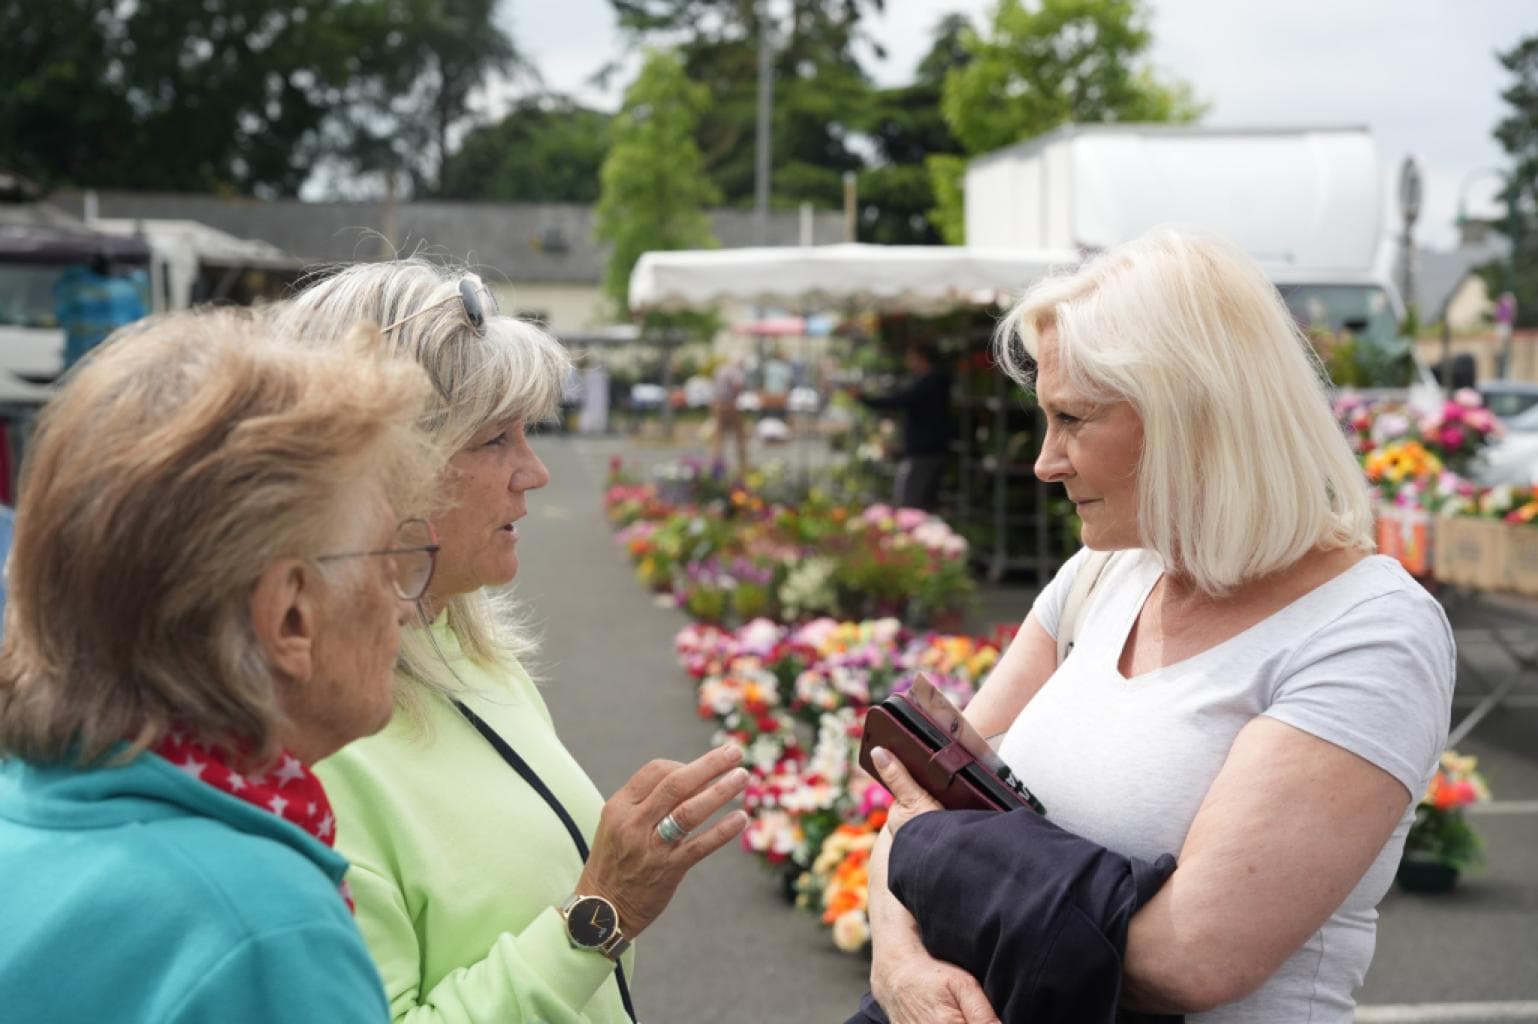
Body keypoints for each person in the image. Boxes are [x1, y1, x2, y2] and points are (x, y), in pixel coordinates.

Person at [862, 230, 1455, 1023]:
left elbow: (1190, 959)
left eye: (1072, 417)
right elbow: (913, 806)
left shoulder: (1368, 633)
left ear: (1193, 415)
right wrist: (898, 965)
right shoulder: (1104, 573)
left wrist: (939, 857)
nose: (1045, 461)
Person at [276, 261, 751, 1024]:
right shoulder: (311, 743)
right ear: (381, 470)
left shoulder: (465, 651)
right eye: (496, 439)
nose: (532, 472)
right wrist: (599, 915)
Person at [0, 308, 443, 1021]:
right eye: (391, 558)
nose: (407, 604)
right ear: (290, 616)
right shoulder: (261, 934)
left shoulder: (22, 813)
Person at [857, 341, 952, 511]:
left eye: (911, 356)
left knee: (910, 507)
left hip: (923, 453)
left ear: (921, 358)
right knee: (921, 506)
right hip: (927, 451)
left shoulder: (930, 383)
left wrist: (864, 398)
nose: (908, 361)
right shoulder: (933, 381)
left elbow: (900, 401)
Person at [51, 249, 148, 372]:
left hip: (80, 357)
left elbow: (62, 314)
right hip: (116, 355)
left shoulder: (76, 289)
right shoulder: (127, 290)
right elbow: (140, 320)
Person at [709, 354, 750, 475]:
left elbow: (714, 387)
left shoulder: (720, 369)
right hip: (729, 404)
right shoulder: (735, 372)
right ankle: (743, 465)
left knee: (719, 436)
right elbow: (737, 386)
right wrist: (735, 400)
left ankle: (715, 464)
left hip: (718, 404)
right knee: (740, 436)